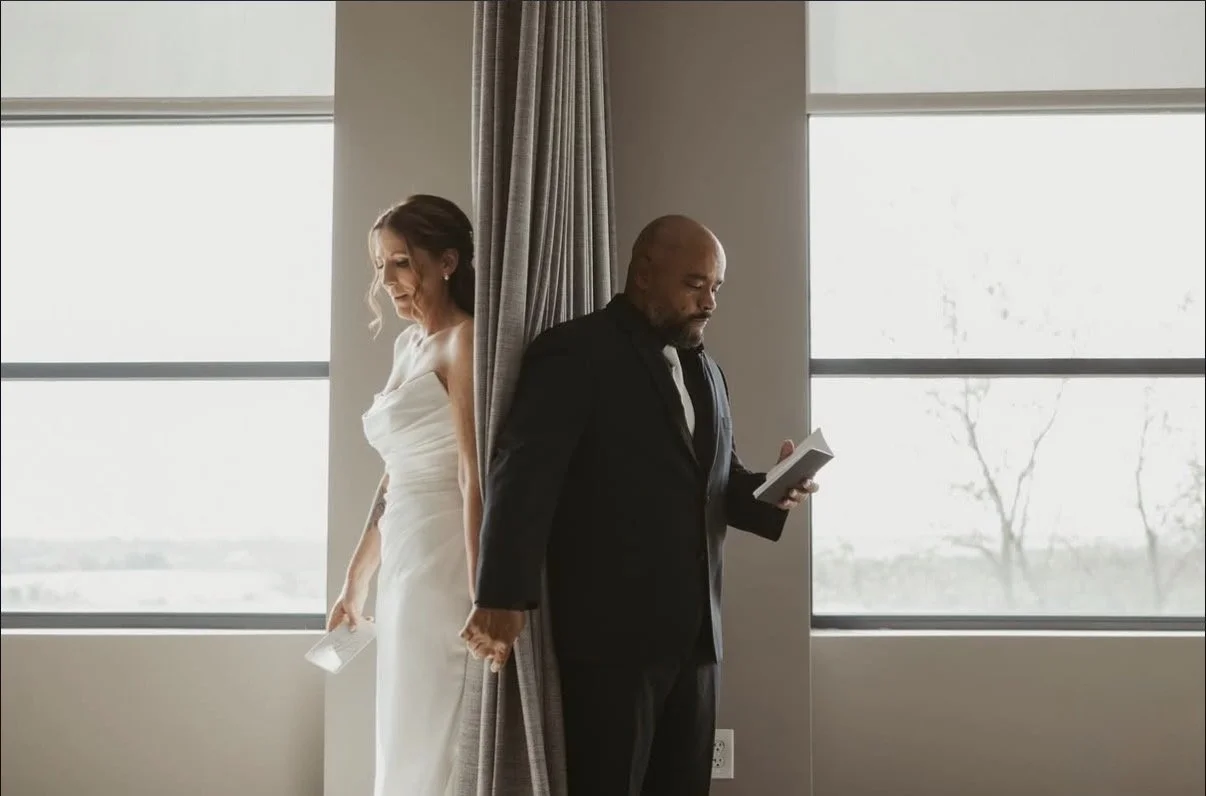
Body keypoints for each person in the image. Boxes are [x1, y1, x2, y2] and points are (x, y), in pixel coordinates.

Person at [460, 214, 820, 795]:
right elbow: (522, 474)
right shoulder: (574, 352)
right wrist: (500, 595)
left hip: (699, 642)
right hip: (611, 648)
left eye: (716, 288)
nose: (709, 302)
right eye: (696, 284)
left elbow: (717, 486)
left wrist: (777, 489)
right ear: (645, 273)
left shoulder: (709, 371)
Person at [326, 194, 480, 796]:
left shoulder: (462, 342)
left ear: (446, 261)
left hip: (444, 560)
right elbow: (393, 475)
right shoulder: (405, 347)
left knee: (433, 720)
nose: (386, 281)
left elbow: (472, 474)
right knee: (402, 719)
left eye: (400, 263)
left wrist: (482, 583)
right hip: (405, 557)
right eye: (380, 266)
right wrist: (354, 580)